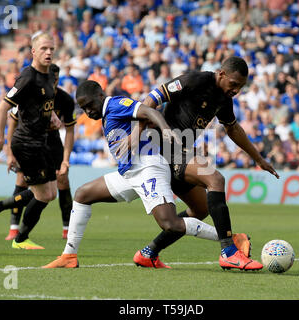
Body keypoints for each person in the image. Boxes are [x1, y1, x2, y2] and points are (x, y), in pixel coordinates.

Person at [43, 80, 235, 269]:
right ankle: (69, 255)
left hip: (147, 167)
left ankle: (231, 239)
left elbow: (149, 110)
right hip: (128, 173)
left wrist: (166, 131)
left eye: (90, 105)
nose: (88, 111)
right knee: (82, 195)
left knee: (170, 224)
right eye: (84, 108)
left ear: (101, 96)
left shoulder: (116, 104)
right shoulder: (106, 114)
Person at [130, 56, 278, 269]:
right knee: (215, 179)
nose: (236, 90)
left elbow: (233, 128)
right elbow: (154, 97)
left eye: (241, 87)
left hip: (181, 151)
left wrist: (259, 159)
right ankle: (228, 251)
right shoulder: (195, 80)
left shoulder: (224, 98)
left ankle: (149, 252)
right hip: (163, 147)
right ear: (221, 73)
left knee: (200, 210)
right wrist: (138, 132)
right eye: (234, 84)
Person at [0, 32, 61, 250]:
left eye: (51, 48)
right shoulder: (28, 77)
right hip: (25, 143)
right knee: (43, 195)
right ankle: (20, 238)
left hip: (41, 140)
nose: (49, 52)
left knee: (50, 193)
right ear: (33, 51)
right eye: (44, 48)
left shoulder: (47, 76)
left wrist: (51, 116)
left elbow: (44, 103)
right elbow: (3, 107)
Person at [4, 64, 76, 241]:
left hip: (52, 144)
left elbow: (70, 131)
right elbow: (12, 121)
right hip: (29, 141)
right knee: (22, 180)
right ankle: (14, 228)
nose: (53, 83)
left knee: (62, 181)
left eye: (56, 80)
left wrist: (66, 159)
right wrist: (9, 153)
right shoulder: (30, 91)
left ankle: (67, 228)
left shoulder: (65, 99)